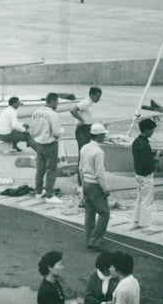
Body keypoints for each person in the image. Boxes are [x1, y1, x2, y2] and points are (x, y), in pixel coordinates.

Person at [80, 123, 111, 251]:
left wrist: (82, 184)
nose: (104, 136)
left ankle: (89, 239)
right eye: (103, 134)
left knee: (89, 213)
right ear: (99, 136)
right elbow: (100, 174)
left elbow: (80, 168)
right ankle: (95, 241)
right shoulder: (98, 152)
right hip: (94, 185)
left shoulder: (84, 148)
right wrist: (105, 189)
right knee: (104, 213)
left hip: (86, 183)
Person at [70, 87, 102, 205]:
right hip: (83, 129)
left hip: (87, 129)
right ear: (92, 95)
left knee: (87, 153)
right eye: (98, 96)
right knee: (83, 154)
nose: (99, 98)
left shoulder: (90, 103)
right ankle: (80, 182)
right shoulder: (85, 102)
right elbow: (72, 110)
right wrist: (81, 120)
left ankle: (83, 179)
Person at [30, 93, 64, 204]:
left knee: (40, 169)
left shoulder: (36, 113)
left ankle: (38, 192)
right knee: (51, 170)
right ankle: (49, 195)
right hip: (50, 144)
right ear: (53, 101)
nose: (57, 104)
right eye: (57, 102)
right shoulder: (53, 115)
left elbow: (32, 130)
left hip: (38, 144)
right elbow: (57, 132)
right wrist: (62, 131)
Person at [132, 118, 159, 230]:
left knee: (139, 199)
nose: (153, 132)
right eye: (152, 130)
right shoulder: (145, 145)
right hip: (146, 175)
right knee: (147, 200)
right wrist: (156, 157)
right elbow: (148, 163)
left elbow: (141, 157)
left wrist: (150, 153)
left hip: (138, 174)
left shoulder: (137, 141)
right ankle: (145, 224)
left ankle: (136, 221)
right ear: (147, 130)